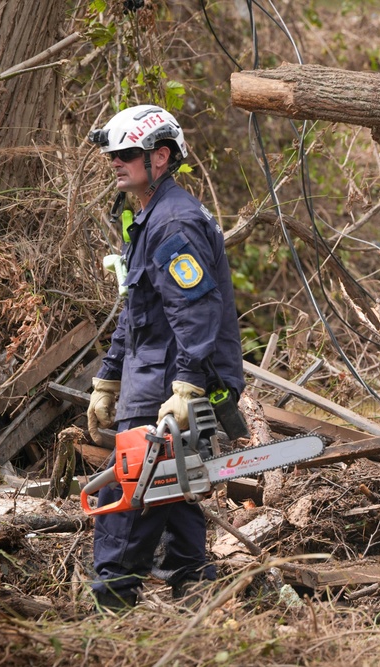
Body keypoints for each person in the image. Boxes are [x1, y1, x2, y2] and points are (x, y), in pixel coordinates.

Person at [84, 104, 245, 611]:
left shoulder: (174, 219)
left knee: (132, 496)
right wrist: (108, 380)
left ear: (161, 156)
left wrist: (187, 386)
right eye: (114, 153)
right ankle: (194, 582)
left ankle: (111, 599)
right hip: (149, 376)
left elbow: (196, 309)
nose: (116, 161)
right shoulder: (148, 218)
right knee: (171, 489)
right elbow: (136, 312)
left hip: (167, 381)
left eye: (127, 153)